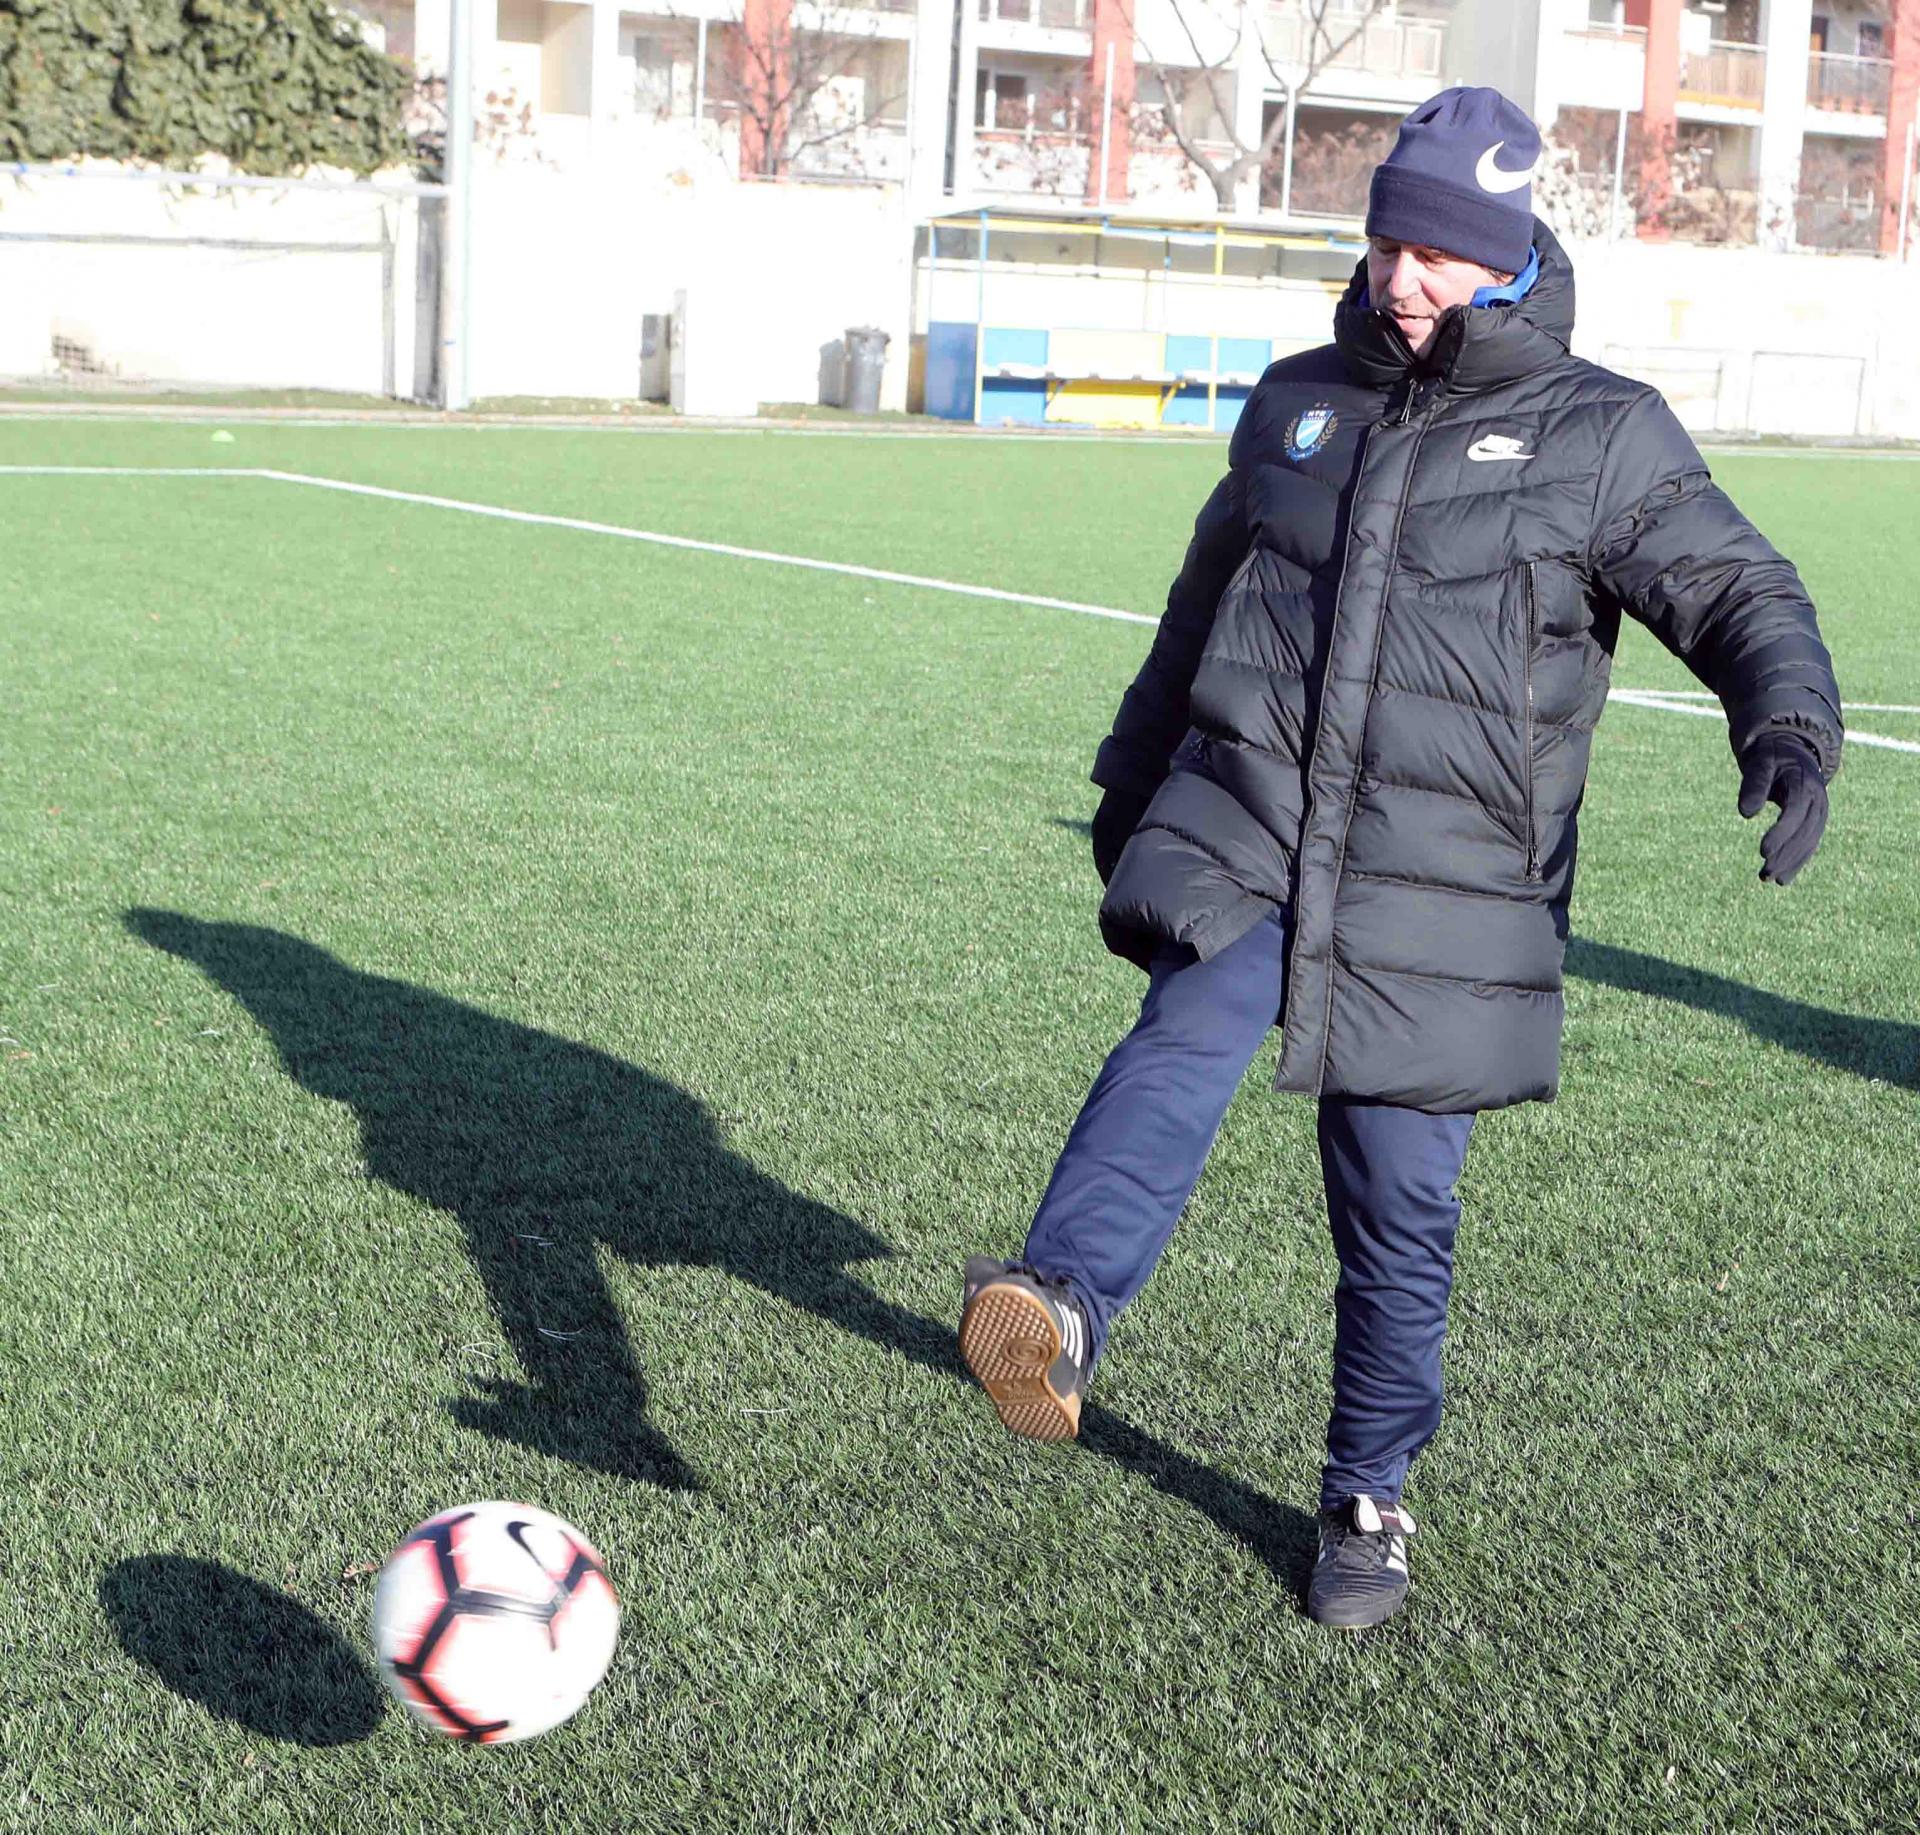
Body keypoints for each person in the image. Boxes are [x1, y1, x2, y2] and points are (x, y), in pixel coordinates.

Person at [957, 86, 1844, 1631]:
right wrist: (1130, 778)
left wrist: (1788, 725)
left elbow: (1737, 591)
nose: (1402, 277)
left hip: (1452, 873)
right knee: (1183, 1032)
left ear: (1506, 259)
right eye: (1386, 244)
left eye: (1438, 252)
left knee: (1397, 1202)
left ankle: (1366, 1496)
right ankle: (1065, 1302)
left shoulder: (1600, 430)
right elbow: (1199, 611)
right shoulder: (1299, 401)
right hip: (1257, 816)